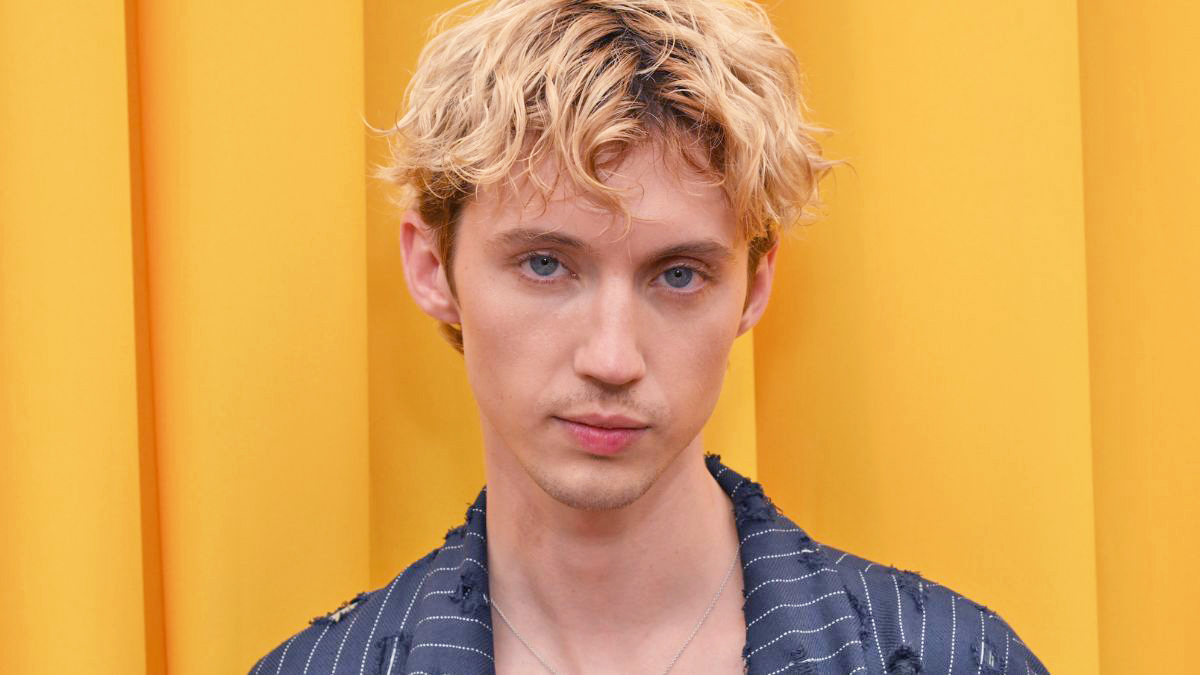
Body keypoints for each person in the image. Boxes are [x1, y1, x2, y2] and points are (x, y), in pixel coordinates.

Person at [251, 1, 1048, 673]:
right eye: (544, 264)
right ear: (432, 265)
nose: (612, 358)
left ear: (755, 286)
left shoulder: (956, 656)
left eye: (677, 275)